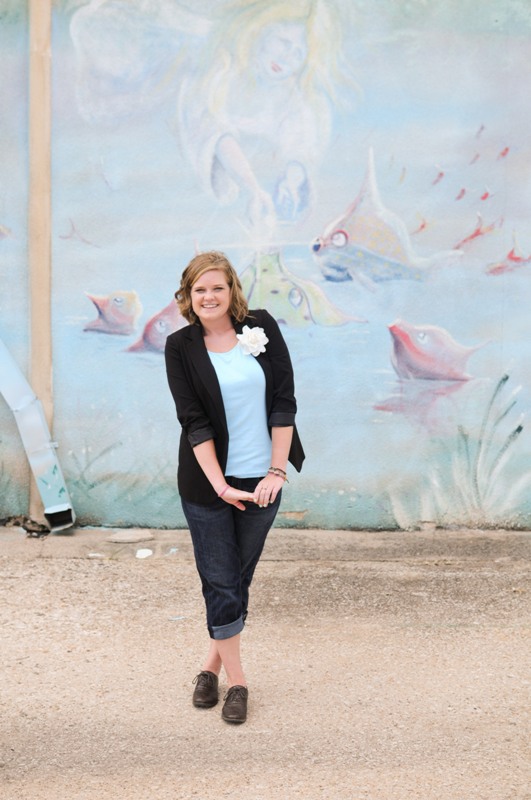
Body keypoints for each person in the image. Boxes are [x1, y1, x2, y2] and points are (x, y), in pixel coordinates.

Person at [165, 250, 304, 724]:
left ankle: (209, 668)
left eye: (217, 288)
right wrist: (221, 487)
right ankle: (238, 682)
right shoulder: (180, 346)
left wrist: (276, 472)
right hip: (208, 485)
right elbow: (193, 420)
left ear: (231, 291)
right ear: (188, 295)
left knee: (235, 579)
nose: (209, 297)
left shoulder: (260, 327)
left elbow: (284, 402)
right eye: (199, 289)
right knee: (221, 579)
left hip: (263, 480)